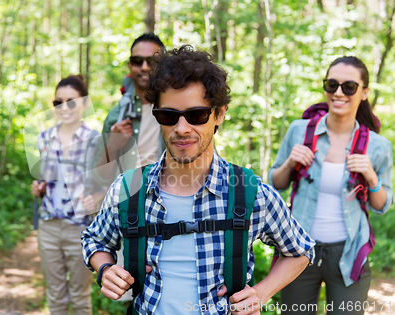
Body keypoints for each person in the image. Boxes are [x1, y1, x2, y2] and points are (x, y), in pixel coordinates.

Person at [82, 45, 315, 315]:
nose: (182, 128)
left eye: (196, 115)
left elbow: (301, 250)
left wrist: (261, 293)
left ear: (219, 114)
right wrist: (106, 269)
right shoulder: (128, 188)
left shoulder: (250, 193)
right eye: (169, 116)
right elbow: (94, 239)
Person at [269, 56, 393, 315]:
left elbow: (382, 206)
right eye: (332, 84)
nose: (338, 92)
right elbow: (276, 184)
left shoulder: (378, 146)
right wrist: (290, 162)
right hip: (299, 252)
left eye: (349, 86)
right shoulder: (299, 131)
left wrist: (371, 177)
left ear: (364, 92)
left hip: (348, 254)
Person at [30, 74, 104, 315]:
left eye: (71, 101)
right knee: (55, 296)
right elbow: (46, 180)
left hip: (81, 228)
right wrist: (38, 189)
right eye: (58, 102)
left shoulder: (95, 140)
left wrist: (98, 198)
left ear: (84, 103)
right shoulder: (44, 139)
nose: (64, 108)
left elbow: (110, 185)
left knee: (80, 298)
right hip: (49, 226)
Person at [93, 33, 166, 186]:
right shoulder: (116, 116)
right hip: (127, 204)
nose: (145, 67)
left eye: (152, 61)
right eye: (137, 61)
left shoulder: (179, 112)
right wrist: (112, 146)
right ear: (129, 65)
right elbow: (99, 178)